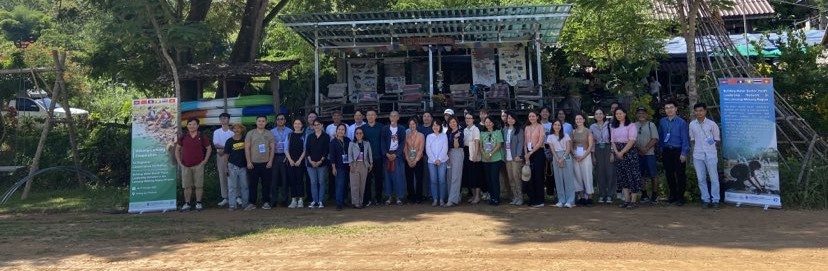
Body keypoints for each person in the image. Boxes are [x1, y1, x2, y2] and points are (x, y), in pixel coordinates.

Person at [689, 103, 721, 209]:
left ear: (705, 111)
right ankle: (706, 199)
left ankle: (715, 199)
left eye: (701, 110)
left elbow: (717, 139)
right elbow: (692, 140)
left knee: (713, 178)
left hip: (711, 154)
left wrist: (709, 147)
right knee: (701, 178)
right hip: (698, 155)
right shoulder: (692, 124)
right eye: (696, 111)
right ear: (694, 112)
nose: (699, 113)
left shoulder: (712, 124)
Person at [175, 118, 212, 211]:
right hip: (185, 165)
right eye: (190, 124)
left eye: (194, 124)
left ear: (198, 126)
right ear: (187, 126)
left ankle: (198, 203)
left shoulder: (202, 136)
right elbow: (177, 149)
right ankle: (187, 203)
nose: (192, 126)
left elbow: (209, 148)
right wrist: (179, 162)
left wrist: (205, 160)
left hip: (198, 165)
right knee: (186, 186)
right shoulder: (183, 136)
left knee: (199, 185)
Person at [659, 101, 690, 206]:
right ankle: (673, 195)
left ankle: (681, 197)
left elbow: (685, 139)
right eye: (667, 108)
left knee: (680, 175)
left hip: (678, 151)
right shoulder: (662, 121)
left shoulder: (681, 122)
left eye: (671, 107)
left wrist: (684, 153)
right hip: (667, 151)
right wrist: (661, 149)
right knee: (669, 174)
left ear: (676, 109)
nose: (669, 109)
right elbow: (661, 136)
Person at [612, 107, 642, 209]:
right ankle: (626, 200)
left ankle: (633, 201)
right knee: (622, 177)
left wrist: (623, 151)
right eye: (616, 114)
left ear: (625, 114)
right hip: (618, 153)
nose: (618, 115)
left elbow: (632, 140)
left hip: (629, 152)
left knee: (632, 176)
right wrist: (617, 152)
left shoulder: (631, 125)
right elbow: (612, 141)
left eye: (620, 113)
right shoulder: (614, 126)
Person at [245, 115, 276, 210]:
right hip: (253, 163)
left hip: (266, 163)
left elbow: (272, 148)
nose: (261, 123)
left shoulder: (269, 133)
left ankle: (266, 202)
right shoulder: (250, 133)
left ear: (266, 122)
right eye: (259, 121)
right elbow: (247, 148)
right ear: (256, 122)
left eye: (263, 121)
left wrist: (270, 161)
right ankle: (252, 203)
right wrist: (249, 162)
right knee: (252, 184)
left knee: (266, 184)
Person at [635, 106, 660, 203]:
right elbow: (632, 139)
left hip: (650, 154)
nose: (641, 115)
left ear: (646, 114)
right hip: (638, 154)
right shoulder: (634, 125)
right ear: (637, 115)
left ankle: (654, 194)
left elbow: (654, 139)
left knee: (653, 175)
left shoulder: (651, 125)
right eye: (639, 113)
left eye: (643, 113)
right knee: (641, 175)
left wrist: (645, 149)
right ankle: (644, 194)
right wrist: (640, 149)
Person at [381, 111, 406, 205]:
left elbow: (403, 142)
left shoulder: (401, 129)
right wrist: (386, 154)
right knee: (388, 177)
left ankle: (399, 197)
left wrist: (396, 154)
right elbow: (382, 142)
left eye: (395, 116)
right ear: (389, 117)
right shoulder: (385, 129)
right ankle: (389, 196)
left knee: (398, 177)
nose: (393, 118)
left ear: (398, 118)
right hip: (387, 156)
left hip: (397, 156)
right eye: (391, 116)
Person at [223, 123, 250, 210]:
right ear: (232, 130)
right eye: (235, 128)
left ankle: (245, 204)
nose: (237, 130)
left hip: (243, 166)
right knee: (232, 187)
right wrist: (225, 167)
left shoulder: (246, 139)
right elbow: (226, 155)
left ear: (242, 129)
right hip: (232, 166)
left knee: (245, 186)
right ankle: (232, 205)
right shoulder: (229, 141)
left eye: (239, 128)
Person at [591, 109, 615, 204]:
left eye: (600, 113)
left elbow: (613, 139)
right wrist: (593, 155)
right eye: (596, 114)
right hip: (597, 149)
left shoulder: (609, 125)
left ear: (604, 115)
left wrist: (612, 153)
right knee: (600, 172)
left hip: (608, 148)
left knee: (610, 172)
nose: (599, 115)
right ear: (594, 116)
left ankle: (610, 195)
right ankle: (602, 194)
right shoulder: (592, 127)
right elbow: (592, 141)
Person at [524, 111, 547, 208]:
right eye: (530, 116)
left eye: (533, 116)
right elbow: (525, 143)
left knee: (538, 176)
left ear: (537, 117)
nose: (531, 118)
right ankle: (532, 198)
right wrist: (526, 155)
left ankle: (540, 200)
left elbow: (540, 141)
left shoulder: (541, 127)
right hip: (529, 154)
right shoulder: (527, 128)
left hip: (538, 153)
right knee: (530, 176)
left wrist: (531, 152)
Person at [305, 119, 330, 209]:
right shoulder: (310, 136)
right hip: (310, 163)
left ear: (322, 125)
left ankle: (321, 201)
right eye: (315, 125)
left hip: (322, 164)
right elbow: (307, 150)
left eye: (318, 124)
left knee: (321, 182)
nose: (316, 126)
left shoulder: (326, 136)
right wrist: (310, 161)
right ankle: (315, 201)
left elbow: (326, 150)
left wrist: (320, 161)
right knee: (313, 182)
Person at [571, 114, 594, 206]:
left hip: (585, 155)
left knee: (587, 176)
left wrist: (583, 156)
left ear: (584, 120)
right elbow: (571, 145)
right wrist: (574, 154)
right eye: (577, 119)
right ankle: (582, 197)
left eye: (580, 119)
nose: (578, 120)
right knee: (577, 176)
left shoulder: (588, 131)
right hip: (576, 155)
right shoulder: (573, 132)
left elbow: (590, 145)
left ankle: (590, 197)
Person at [362, 110, 384, 206]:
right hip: (366, 158)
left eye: (372, 115)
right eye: (368, 115)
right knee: (367, 180)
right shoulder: (363, 128)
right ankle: (368, 199)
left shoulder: (381, 127)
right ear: (366, 117)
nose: (370, 116)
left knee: (379, 179)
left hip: (378, 157)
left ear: (375, 116)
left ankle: (378, 198)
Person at [480, 116, 504, 206]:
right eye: (486, 122)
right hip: (485, 159)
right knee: (488, 179)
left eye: (490, 122)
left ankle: (496, 198)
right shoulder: (482, 133)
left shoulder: (498, 132)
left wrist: (490, 154)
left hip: (496, 159)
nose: (488, 124)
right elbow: (480, 146)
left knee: (494, 178)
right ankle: (491, 197)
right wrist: (484, 154)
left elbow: (499, 145)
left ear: (493, 123)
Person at [212, 113, 234, 207]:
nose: (223, 120)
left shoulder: (233, 131)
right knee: (222, 175)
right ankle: (225, 198)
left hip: (233, 156)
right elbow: (216, 144)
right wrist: (227, 149)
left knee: (233, 175)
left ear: (228, 120)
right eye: (221, 118)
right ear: (219, 120)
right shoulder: (217, 132)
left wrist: (225, 150)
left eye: (225, 118)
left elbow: (235, 143)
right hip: (220, 155)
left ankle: (237, 196)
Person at [502, 111, 524, 206]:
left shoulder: (519, 130)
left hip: (515, 157)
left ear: (515, 119)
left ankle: (520, 197)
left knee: (516, 177)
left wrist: (518, 155)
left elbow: (520, 143)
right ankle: (515, 197)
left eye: (512, 118)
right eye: (509, 118)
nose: (510, 120)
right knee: (510, 178)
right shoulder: (505, 129)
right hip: (507, 157)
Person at [270, 114, 292, 206]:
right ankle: (274, 200)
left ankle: (284, 200)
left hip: (286, 156)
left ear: (285, 120)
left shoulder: (290, 131)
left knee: (285, 179)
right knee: (274, 179)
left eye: (282, 119)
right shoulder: (271, 132)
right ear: (276, 121)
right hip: (275, 156)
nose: (280, 120)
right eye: (278, 119)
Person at [349, 127, 373, 209]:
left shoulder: (367, 143)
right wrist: (351, 165)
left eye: (360, 133)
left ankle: (361, 201)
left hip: (364, 165)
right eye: (357, 133)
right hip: (355, 165)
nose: (359, 135)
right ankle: (355, 202)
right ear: (355, 135)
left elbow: (369, 154)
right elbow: (350, 155)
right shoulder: (351, 143)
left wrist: (371, 164)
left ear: (363, 134)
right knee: (355, 185)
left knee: (362, 185)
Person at [426, 119, 449, 207]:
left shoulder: (444, 136)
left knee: (442, 180)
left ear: (440, 127)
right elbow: (428, 149)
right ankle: (435, 199)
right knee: (433, 180)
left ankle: (442, 199)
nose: (435, 127)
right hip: (431, 162)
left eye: (437, 125)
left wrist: (439, 159)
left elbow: (445, 148)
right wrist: (434, 159)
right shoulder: (429, 136)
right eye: (434, 125)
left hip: (442, 161)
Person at [286, 119, 307, 208]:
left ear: (302, 125)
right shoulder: (289, 135)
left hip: (300, 162)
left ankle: (301, 200)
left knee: (300, 180)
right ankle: (294, 199)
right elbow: (285, 149)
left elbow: (305, 149)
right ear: (293, 125)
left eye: (299, 123)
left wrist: (299, 160)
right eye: (295, 123)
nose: (297, 125)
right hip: (290, 162)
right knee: (292, 180)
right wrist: (290, 160)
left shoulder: (304, 135)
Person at [329, 123, 351, 211]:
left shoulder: (348, 140)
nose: (341, 131)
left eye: (343, 129)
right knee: (340, 185)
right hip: (338, 166)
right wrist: (333, 167)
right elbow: (332, 156)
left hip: (348, 165)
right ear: (336, 131)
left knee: (346, 184)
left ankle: (344, 200)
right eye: (339, 129)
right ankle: (338, 203)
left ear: (345, 131)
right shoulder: (333, 142)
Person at [463, 113, 483, 204]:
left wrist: (475, 154)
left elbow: (477, 142)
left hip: (474, 152)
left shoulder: (476, 129)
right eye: (466, 118)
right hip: (466, 152)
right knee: (470, 175)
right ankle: (473, 195)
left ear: (473, 119)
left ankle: (477, 196)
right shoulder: (464, 130)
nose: (467, 120)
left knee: (476, 175)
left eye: (469, 118)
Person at [404, 117, 425, 204]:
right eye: (410, 124)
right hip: (408, 160)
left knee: (419, 179)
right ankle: (411, 197)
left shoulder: (421, 135)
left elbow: (421, 149)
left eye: (413, 124)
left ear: (416, 125)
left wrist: (416, 160)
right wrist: (408, 160)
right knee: (409, 180)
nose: (412, 125)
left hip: (418, 160)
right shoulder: (406, 135)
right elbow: (405, 148)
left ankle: (418, 198)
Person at [445, 116, 465, 206]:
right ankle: (454, 196)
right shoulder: (448, 132)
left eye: (453, 122)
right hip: (449, 154)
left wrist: (456, 138)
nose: (452, 124)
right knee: (449, 176)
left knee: (455, 176)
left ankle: (452, 200)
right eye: (450, 122)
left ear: (457, 122)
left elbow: (456, 146)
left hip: (457, 153)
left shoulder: (460, 132)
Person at [419, 112, 434, 200]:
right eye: (424, 116)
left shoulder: (434, 128)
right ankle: (424, 194)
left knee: (432, 176)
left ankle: (432, 194)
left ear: (431, 118)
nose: (426, 118)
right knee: (424, 176)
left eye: (428, 116)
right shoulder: (419, 128)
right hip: (422, 155)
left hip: (433, 156)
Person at [477, 107, 491, 201]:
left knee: (489, 174)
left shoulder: (490, 125)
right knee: (481, 174)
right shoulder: (476, 126)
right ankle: (484, 191)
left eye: (484, 113)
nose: (482, 115)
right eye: (481, 113)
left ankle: (490, 192)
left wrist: (489, 153)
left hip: (489, 154)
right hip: (478, 153)